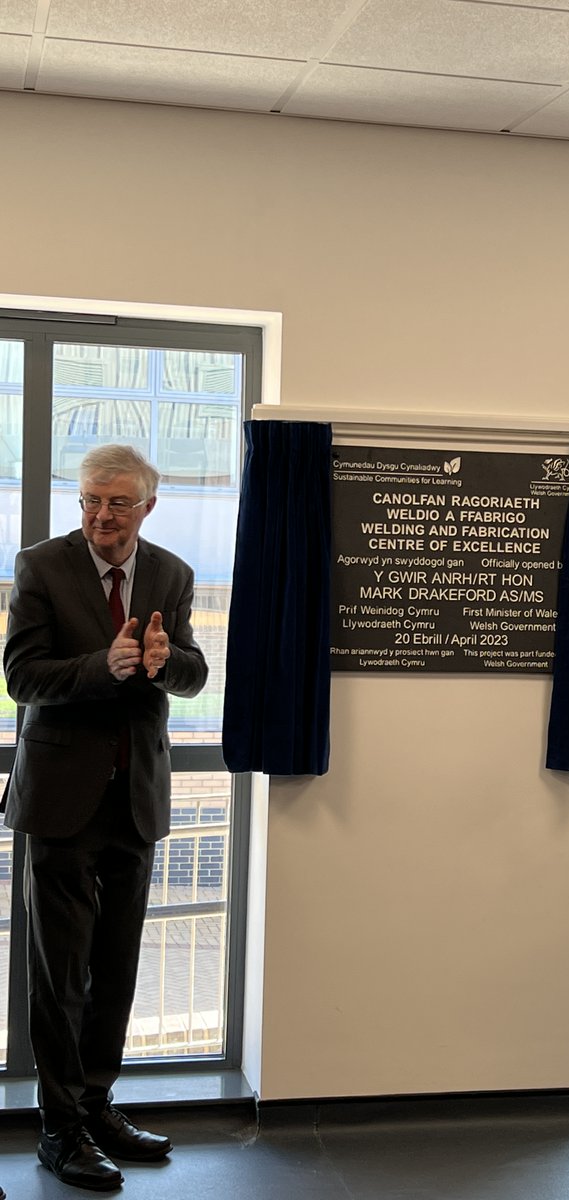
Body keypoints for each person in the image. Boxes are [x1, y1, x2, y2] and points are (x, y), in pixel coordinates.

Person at [1, 445, 208, 1191]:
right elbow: (21, 676)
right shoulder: (41, 567)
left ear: (147, 506)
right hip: (61, 800)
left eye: (118, 503)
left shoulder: (172, 575)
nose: (101, 516)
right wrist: (103, 667)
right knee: (59, 976)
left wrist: (163, 662)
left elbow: (193, 673)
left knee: (116, 968)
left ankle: (96, 1107)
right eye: (90, 500)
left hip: (136, 799)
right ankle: (59, 1131)